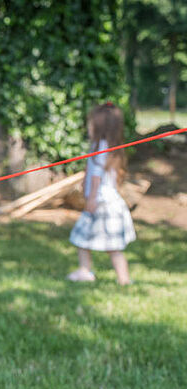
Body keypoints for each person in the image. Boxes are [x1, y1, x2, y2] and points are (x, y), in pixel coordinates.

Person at [66, 102, 135, 286]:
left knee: (87, 240)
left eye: (91, 124)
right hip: (107, 202)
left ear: (100, 127)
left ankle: (92, 272)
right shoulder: (107, 147)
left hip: (101, 204)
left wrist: (91, 199)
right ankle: (94, 272)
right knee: (91, 241)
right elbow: (93, 173)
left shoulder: (101, 147)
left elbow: (96, 177)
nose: (88, 127)